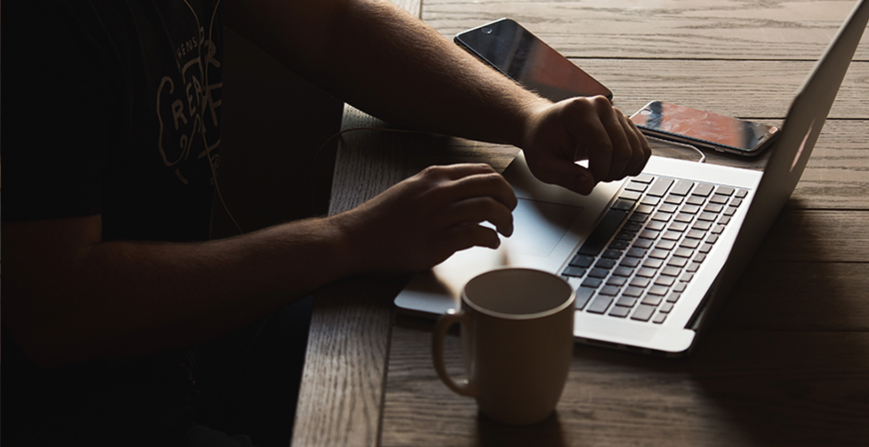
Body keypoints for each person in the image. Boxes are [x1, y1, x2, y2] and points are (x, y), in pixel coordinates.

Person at [1, 0, 651, 445]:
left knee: (451, 363)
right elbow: (59, 307)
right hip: (80, 409)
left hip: (181, 343)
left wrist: (527, 117)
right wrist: (350, 238)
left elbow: (333, 27)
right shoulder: (38, 27)